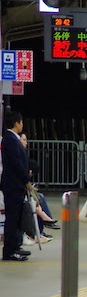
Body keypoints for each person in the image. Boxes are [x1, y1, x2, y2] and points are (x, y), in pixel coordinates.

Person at [0, 112, 30, 261]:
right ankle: (10, 250)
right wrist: (26, 179)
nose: (22, 125)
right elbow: (16, 163)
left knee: (16, 218)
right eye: (21, 122)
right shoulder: (10, 140)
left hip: (15, 185)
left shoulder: (12, 139)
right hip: (13, 185)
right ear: (16, 123)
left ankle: (15, 246)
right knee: (12, 218)